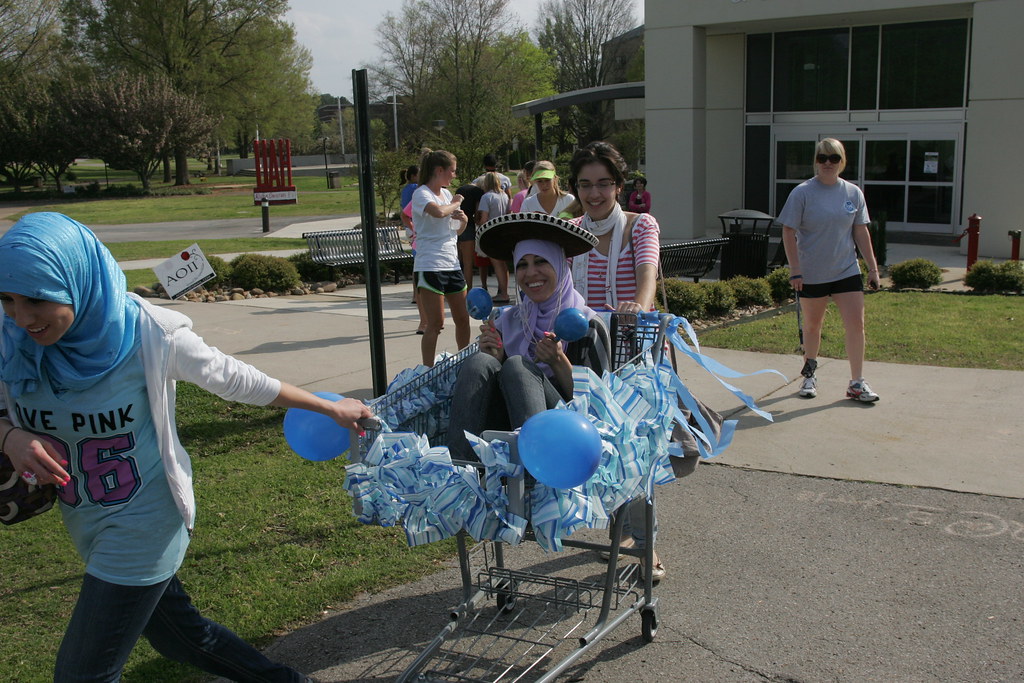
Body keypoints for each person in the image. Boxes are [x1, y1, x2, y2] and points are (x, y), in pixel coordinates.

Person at [0, 212, 373, 682]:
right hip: (85, 516)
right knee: (179, 636)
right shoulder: (11, 337)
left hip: (145, 522)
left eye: (37, 298)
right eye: (8, 299)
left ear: (76, 278)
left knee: (82, 674)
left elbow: (238, 379)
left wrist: (327, 407)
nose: (21, 316)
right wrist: (10, 436)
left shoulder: (150, 334)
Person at [446, 212, 605, 463]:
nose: (530, 273)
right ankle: (459, 469)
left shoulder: (586, 325)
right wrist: (495, 356)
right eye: (522, 264)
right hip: (505, 428)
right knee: (480, 362)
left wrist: (558, 362)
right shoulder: (507, 321)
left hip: (565, 436)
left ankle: (535, 478)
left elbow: (597, 407)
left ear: (560, 266)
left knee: (520, 366)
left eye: (541, 262)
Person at [779, 137, 881, 402]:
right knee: (813, 326)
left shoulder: (852, 193)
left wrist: (872, 268)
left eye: (833, 158)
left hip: (846, 270)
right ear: (816, 161)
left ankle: (856, 383)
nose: (827, 163)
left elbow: (861, 231)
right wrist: (795, 269)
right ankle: (810, 376)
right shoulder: (802, 192)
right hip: (811, 273)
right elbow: (788, 230)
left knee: (856, 325)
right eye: (822, 158)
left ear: (841, 162)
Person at [567, 141, 661, 315]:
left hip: (634, 337)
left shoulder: (640, 226)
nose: (594, 194)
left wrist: (637, 310)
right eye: (585, 185)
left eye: (603, 184)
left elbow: (647, 277)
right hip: (583, 337)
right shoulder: (570, 231)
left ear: (619, 186)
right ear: (576, 188)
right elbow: (557, 288)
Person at [412, 149, 471, 366]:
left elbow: (455, 230)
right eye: (452, 171)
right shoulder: (421, 194)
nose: (454, 176)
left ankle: (464, 362)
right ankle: (427, 369)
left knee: (463, 319)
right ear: (439, 170)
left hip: (451, 264)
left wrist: (462, 220)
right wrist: (457, 203)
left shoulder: (446, 195)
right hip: (430, 264)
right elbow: (437, 212)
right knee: (435, 323)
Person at [475, 171, 511, 303]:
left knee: (497, 265)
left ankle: (504, 294)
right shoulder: (505, 196)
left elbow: (484, 219)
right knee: (503, 265)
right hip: (503, 232)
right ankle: (504, 291)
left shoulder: (486, 197)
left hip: (491, 233)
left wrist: (477, 222)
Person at [454, 180, 486, 289]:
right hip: (468, 226)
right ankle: (468, 289)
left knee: (457, 260)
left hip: (456, 224)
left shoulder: (460, 189)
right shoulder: (479, 192)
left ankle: (455, 287)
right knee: (468, 263)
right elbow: (478, 212)